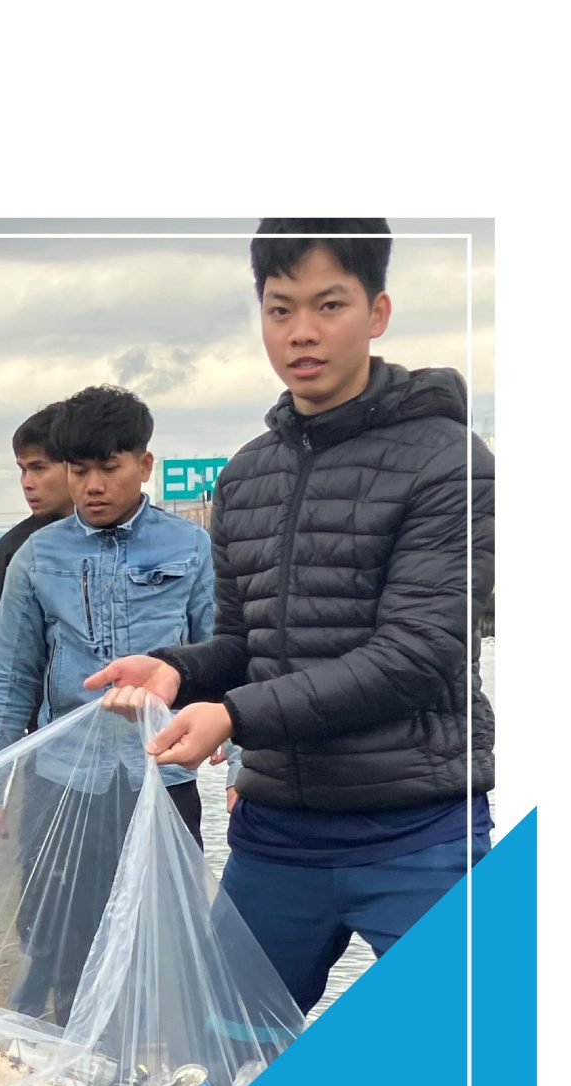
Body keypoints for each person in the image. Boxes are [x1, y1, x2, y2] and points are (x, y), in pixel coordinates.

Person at [88, 221, 495, 1010]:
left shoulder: (450, 461)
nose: (301, 333)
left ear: (377, 312)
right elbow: (247, 643)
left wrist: (232, 715)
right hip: (277, 834)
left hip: (419, 829)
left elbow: (417, 655)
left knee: (467, 1077)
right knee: (220, 1066)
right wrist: (178, 668)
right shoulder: (246, 476)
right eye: (280, 310)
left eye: (328, 304)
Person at [0, 385, 214, 1021]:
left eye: (110, 467)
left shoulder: (190, 550)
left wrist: (242, 766)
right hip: (64, 778)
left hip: (163, 773)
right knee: (63, 937)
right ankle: (83, 1080)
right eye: (80, 471)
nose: (93, 486)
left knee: (168, 937)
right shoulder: (35, 557)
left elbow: (225, 658)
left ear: (145, 464)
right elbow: (12, 680)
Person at [0, 402, 75, 770]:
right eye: (22, 470)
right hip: (46, 744)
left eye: (39, 468)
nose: (27, 482)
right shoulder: (16, 548)